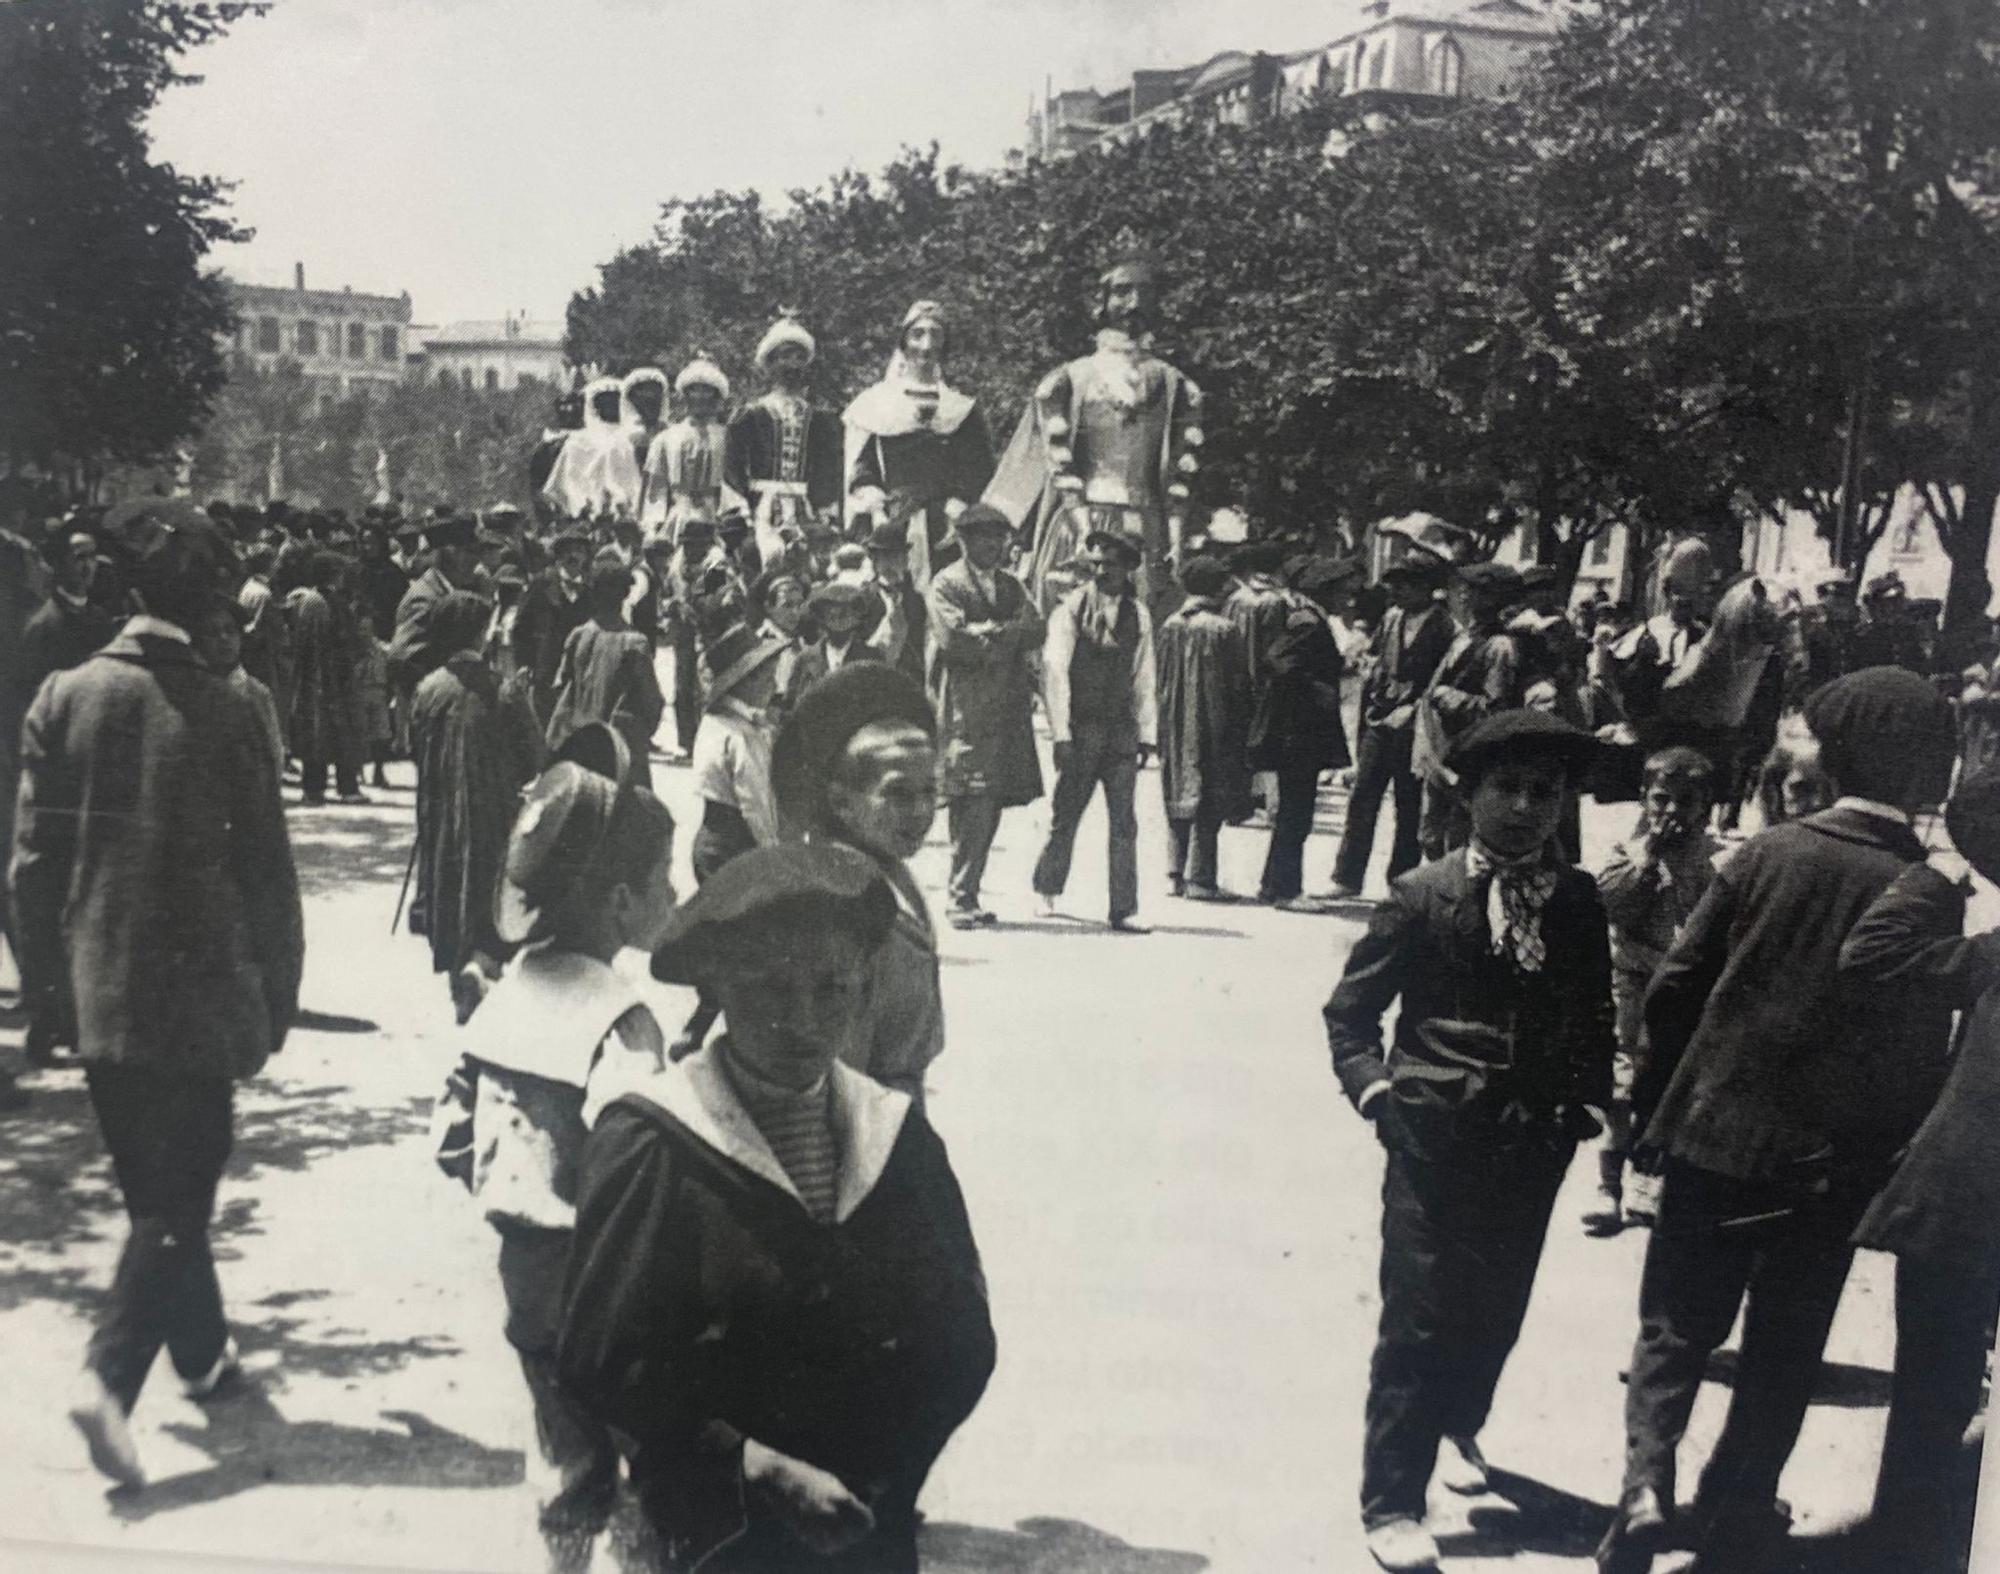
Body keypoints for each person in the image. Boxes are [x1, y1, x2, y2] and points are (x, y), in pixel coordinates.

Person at [1600, 666, 1960, 1574]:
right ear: (1923, 778)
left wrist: (1660, 1106)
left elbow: (1675, 989)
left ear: (1831, 761)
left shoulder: (1766, 854)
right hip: (1823, 1165)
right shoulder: (1921, 890)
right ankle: (1737, 1508)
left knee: (1675, 1326)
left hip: (1711, 1134)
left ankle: (1644, 1490)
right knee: (1785, 1342)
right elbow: (1913, 1056)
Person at [556, 843, 997, 1573]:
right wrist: (745, 1463)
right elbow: (602, 1356)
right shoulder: (655, 1140)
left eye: (832, 990)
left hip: (863, 1525)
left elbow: (960, 1335)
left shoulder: (895, 1137)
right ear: (719, 989)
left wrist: (882, 1470)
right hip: (711, 1530)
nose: (802, 1020)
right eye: (769, 990)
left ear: (862, 989)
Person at [11, 504, 303, 1488]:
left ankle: (205, 1356)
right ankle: (108, 1377)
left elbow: (31, 870)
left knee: (154, 1186)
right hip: (201, 993)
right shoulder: (230, 706)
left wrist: (50, 994)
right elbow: (268, 871)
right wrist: (280, 993)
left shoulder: (63, 694)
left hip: (96, 991)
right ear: (209, 596)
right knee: (182, 1187)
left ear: (129, 591)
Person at [1325, 709, 1612, 1574]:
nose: (1526, 808)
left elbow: (1594, 1010)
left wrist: (1584, 1106)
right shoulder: (1422, 894)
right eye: (1508, 789)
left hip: (1531, 1141)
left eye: (1545, 793)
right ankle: (1392, 1500)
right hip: (1432, 1138)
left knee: (1497, 1308)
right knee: (1419, 1312)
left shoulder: (1576, 899)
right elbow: (1350, 1016)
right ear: (1470, 792)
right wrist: (1379, 1093)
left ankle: (1460, 1422)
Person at [440, 749, 677, 1572]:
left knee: (564, 1457)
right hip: (607, 1288)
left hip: (527, 1280)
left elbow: (450, 1134)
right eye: (664, 882)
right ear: (620, 902)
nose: (676, 896)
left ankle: (563, 1556)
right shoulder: (621, 1019)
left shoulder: (505, 994)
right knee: (652, 1467)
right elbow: (640, 1156)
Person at [984, 240, 1204, 622]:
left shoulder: (1175, 385)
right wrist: (1083, 529)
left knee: (1146, 634)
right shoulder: (1070, 378)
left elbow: (1179, 474)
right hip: (1083, 522)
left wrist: (1176, 535)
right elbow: (1058, 465)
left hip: (1149, 527)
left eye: (1144, 292)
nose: (1134, 303)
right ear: (1102, 301)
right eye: (1122, 291)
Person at [772, 665, 945, 1099]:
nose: (922, 811)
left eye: (931, 792)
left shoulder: (894, 878)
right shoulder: (841, 907)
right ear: (840, 801)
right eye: (899, 794)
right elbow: (836, 1073)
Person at [1585, 747, 1718, 1237]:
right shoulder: (1627, 850)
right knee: (1622, 1078)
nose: (1671, 813)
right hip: (1633, 980)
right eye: (1661, 799)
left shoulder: (1720, 859)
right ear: (1644, 797)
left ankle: (1648, 1179)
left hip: (1686, 988)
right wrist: (1648, 860)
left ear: (1706, 805)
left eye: (1687, 802)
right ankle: (1607, 1184)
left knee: (1667, 1082)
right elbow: (1612, 907)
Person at [410, 592, 547, 1024]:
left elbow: (414, 747)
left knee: (448, 889)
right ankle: (480, 967)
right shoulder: (503, 690)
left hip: (439, 813)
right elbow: (533, 757)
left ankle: (458, 974)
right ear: (479, 631)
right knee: (491, 894)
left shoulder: (427, 689)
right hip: (493, 814)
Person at [924, 504, 1044, 929]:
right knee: (968, 796)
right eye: (983, 537)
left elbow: (1036, 628)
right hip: (964, 706)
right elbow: (956, 640)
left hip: (1006, 708)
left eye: (999, 537)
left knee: (992, 799)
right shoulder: (947, 583)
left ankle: (969, 893)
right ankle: (959, 896)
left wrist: (992, 631)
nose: (993, 545)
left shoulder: (1012, 585)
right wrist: (1004, 632)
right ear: (964, 541)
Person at [1032, 527, 1157, 931]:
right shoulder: (1070, 609)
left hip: (1120, 730)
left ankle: (1124, 908)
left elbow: (1144, 676)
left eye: (1112, 565)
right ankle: (1047, 891)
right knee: (1066, 812)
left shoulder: (1138, 614)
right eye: (1098, 564)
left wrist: (1147, 735)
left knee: (1124, 822)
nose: (1104, 572)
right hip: (1083, 729)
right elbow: (1056, 674)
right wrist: (1062, 734)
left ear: (1128, 569)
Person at [844, 299, 997, 589]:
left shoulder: (960, 408)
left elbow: (980, 469)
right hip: (893, 519)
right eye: (917, 335)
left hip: (949, 522)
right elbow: (862, 467)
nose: (926, 346)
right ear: (904, 343)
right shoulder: (876, 404)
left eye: (935, 335)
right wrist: (874, 501)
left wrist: (961, 503)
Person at [1329, 553, 1453, 899]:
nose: (1397, 591)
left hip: (1416, 726)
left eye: (1405, 585)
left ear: (1427, 589)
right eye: (1394, 584)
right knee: (1363, 796)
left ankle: (1402, 881)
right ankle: (1347, 876)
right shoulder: (1391, 619)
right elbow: (1378, 660)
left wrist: (1415, 708)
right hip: (1380, 720)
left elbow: (1442, 677)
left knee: (1409, 805)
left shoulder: (1445, 627)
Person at [1251, 556, 1359, 911]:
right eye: (1343, 592)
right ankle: (1287, 890)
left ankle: (1272, 884)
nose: (1349, 599)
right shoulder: (1310, 623)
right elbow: (1277, 662)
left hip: (1296, 730)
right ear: (1326, 591)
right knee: (1297, 813)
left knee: (1292, 813)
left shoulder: (1309, 618)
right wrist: (1317, 689)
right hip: (1299, 730)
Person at [1156, 555, 1254, 902]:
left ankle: (1174, 873)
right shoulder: (1224, 629)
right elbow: (1239, 684)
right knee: (1209, 796)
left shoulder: (1170, 624)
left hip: (1174, 720)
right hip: (1215, 720)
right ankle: (1201, 879)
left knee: (1178, 789)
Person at [1412, 560, 1524, 861]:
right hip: (1441, 750)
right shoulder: (1463, 637)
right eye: (1464, 590)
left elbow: (1495, 708)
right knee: (1430, 836)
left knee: (1459, 841)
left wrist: (1450, 697)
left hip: (1470, 756)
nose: (1463, 596)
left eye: (1474, 591)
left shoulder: (1499, 646)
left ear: (1493, 598)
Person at [726, 315, 844, 569]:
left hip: (804, 507)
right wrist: (741, 511)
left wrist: (826, 512)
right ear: (769, 364)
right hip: (761, 508)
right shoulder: (751, 414)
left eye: (799, 357)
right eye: (784, 356)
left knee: (815, 565)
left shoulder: (819, 418)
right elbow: (732, 468)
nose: (792, 364)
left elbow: (827, 469)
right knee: (761, 559)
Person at [544, 553, 666, 763]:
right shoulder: (635, 643)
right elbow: (651, 701)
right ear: (626, 594)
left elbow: (560, 688)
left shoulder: (578, 636)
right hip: (618, 751)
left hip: (579, 745)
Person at [287, 549, 366, 806]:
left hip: (311, 678)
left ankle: (314, 788)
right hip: (333, 680)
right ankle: (347, 786)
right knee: (341, 733)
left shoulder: (307, 601)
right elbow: (341, 643)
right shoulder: (330, 603)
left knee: (315, 736)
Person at [641, 355, 735, 537]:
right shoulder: (666, 438)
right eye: (694, 390)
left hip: (718, 516)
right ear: (685, 395)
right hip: (679, 516)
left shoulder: (729, 438)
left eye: (706, 390)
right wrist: (652, 524)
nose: (699, 397)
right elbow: (656, 488)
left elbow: (735, 483)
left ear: (716, 395)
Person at [389, 513, 480, 699]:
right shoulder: (424, 597)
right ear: (450, 553)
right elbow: (402, 659)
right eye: (470, 552)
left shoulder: (448, 591)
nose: (476, 560)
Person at [20, 523, 115, 699]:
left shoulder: (100, 617)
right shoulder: (43, 625)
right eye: (79, 558)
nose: (88, 567)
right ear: (59, 563)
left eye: (93, 557)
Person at [541, 376, 644, 521]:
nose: (611, 405)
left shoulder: (633, 435)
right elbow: (567, 479)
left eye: (615, 400)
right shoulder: (578, 440)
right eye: (605, 401)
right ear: (595, 405)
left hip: (628, 507)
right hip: (585, 508)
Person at [863, 511, 929, 683]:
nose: (890, 563)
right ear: (874, 561)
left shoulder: (916, 599)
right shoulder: (864, 598)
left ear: (906, 559)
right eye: (884, 556)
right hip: (873, 679)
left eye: (896, 555)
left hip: (909, 680)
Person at [788, 580, 883, 696]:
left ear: (857, 618)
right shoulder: (805, 658)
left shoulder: (871, 658)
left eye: (845, 612)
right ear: (822, 616)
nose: (838, 619)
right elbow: (790, 704)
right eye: (832, 613)